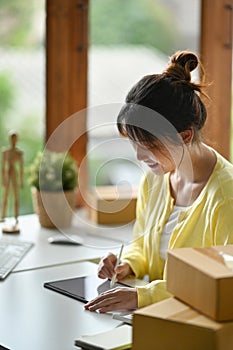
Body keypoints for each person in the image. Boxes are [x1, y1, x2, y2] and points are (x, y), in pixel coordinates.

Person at [84, 50, 233, 313]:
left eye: (149, 145)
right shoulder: (155, 180)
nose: (140, 156)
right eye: (134, 144)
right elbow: (143, 245)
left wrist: (145, 296)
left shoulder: (226, 198)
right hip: (148, 317)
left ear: (185, 136)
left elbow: (222, 286)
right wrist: (126, 264)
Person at [1, 131, 24, 227]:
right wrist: (3, 179)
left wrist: (21, 181)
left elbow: (22, 168)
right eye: (12, 139)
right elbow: (2, 166)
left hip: (14, 173)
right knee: (5, 195)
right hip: (7, 173)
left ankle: (16, 216)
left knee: (15, 195)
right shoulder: (5, 152)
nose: (13, 141)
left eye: (15, 139)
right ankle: (3, 215)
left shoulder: (19, 153)